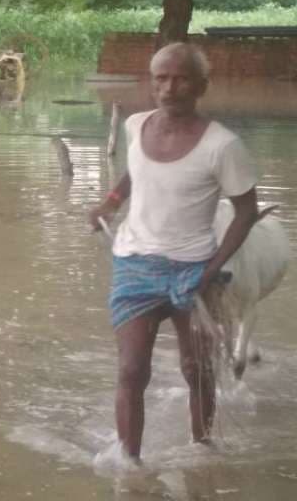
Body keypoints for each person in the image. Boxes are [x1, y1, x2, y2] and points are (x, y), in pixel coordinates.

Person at [89, 42, 259, 462]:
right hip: (135, 265)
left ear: (202, 85)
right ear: (152, 83)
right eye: (161, 78)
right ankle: (129, 467)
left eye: (181, 78)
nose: (169, 87)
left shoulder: (224, 146)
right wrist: (110, 202)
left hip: (196, 269)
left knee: (197, 370)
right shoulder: (136, 125)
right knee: (131, 371)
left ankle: (201, 449)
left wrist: (213, 269)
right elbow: (135, 172)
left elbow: (246, 212)